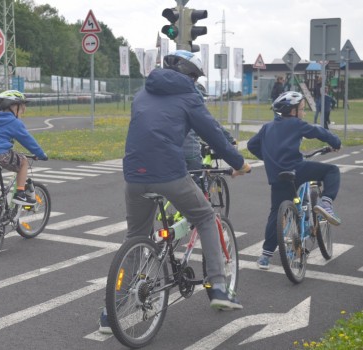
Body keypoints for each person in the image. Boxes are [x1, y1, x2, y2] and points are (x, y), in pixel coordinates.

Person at [99, 50, 251, 334]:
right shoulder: (189, 96)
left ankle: (111, 312)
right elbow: (213, 135)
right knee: (206, 216)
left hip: (134, 175)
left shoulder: (142, 92)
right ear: (191, 76)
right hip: (168, 173)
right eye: (195, 77)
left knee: (135, 237)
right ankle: (218, 287)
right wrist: (239, 163)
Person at [247, 91, 342, 270]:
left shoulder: (267, 127)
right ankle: (327, 203)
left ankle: (265, 256)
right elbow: (318, 131)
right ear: (292, 111)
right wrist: (336, 142)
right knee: (332, 171)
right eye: (301, 109)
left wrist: (268, 158)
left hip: (276, 176)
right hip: (297, 169)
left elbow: (252, 145)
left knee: (276, 213)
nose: (303, 113)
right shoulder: (296, 124)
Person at [0, 90, 48, 248]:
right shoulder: (14, 122)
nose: (23, 110)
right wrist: (41, 154)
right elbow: (27, 140)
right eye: (22, 107)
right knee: (24, 162)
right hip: (1, 155)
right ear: (13, 107)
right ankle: (20, 192)